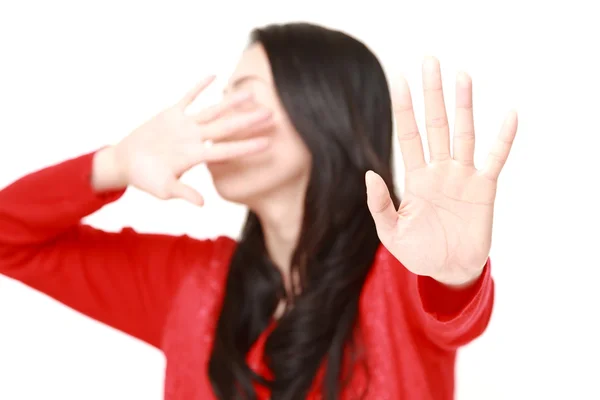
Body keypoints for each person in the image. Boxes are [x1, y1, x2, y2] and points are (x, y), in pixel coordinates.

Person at [0, 22, 518, 400]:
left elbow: (452, 309)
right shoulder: (189, 282)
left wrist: (456, 275)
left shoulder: (401, 267)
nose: (213, 120)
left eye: (243, 97)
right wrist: (113, 163)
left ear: (326, 114)